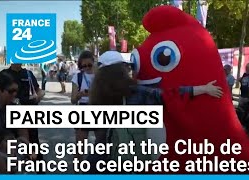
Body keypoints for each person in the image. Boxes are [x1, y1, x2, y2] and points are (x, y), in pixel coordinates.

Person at [89, 51, 223, 167]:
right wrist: (203, 89)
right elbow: (167, 96)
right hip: (124, 161)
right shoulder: (134, 93)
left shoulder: (95, 96)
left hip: (97, 158)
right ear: (120, 71)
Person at [0, 64, 45, 174]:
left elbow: (40, 91)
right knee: (11, 148)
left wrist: (38, 97)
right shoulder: (3, 75)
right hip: (9, 118)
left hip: (29, 115)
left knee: (33, 145)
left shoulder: (28, 74)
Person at [71, 50, 106, 164]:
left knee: (101, 142)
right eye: (83, 65)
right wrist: (80, 95)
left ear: (94, 62)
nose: (86, 67)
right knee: (80, 145)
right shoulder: (78, 76)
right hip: (84, 108)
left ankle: (99, 167)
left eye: (89, 65)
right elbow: (73, 100)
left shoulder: (100, 75)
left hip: (98, 108)